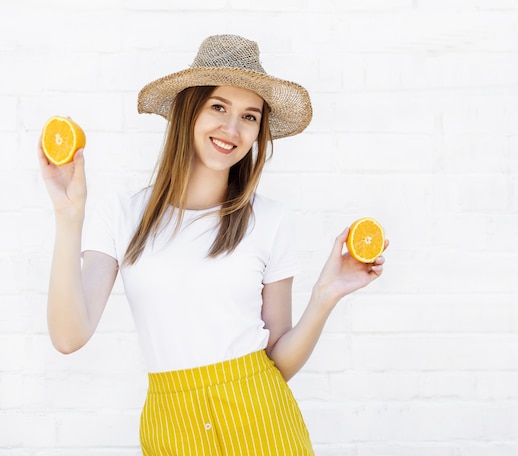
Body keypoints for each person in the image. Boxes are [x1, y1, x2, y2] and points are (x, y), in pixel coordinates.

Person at [38, 34, 387, 455]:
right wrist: (67, 215)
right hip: (170, 430)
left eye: (250, 116)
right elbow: (68, 336)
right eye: (218, 107)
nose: (232, 129)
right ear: (190, 109)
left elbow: (279, 362)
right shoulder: (123, 215)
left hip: (262, 423)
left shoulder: (270, 221)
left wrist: (325, 295)